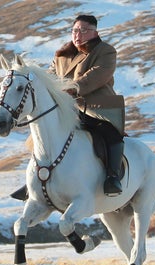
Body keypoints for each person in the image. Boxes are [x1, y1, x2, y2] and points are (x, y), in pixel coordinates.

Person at [11, 14, 125, 201]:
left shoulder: (105, 51)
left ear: (94, 32)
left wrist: (73, 88)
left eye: (83, 30)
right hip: (66, 108)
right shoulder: (61, 54)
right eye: (74, 30)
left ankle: (112, 177)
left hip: (96, 107)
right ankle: (35, 180)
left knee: (110, 134)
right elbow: (50, 77)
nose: (77, 34)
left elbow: (97, 75)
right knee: (41, 135)